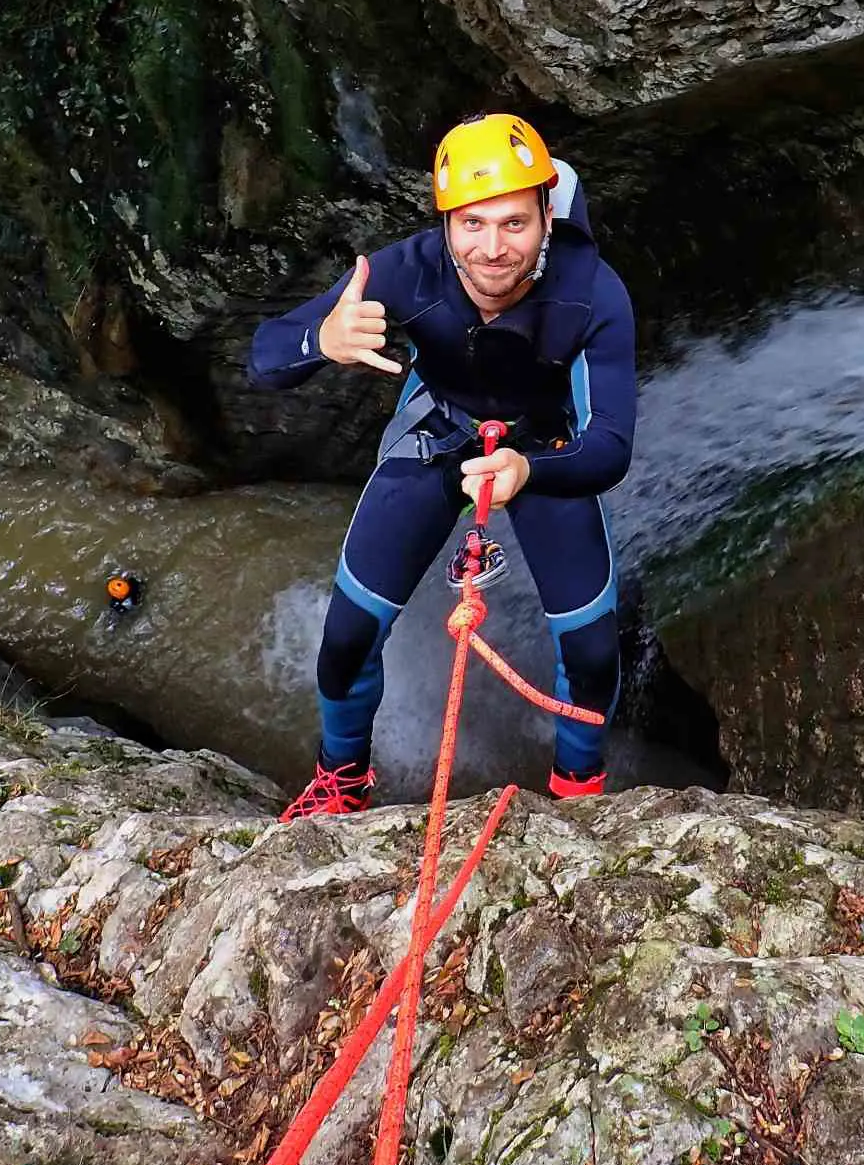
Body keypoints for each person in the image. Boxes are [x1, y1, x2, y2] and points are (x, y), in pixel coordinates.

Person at [248, 112, 637, 818]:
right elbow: (265, 358)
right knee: (348, 637)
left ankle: (578, 794)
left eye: (514, 224)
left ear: (546, 217)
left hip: (543, 447)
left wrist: (528, 471)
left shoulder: (592, 292)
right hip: (441, 428)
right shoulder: (408, 269)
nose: (492, 249)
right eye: (472, 224)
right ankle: (341, 779)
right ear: (446, 224)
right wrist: (322, 339)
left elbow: (609, 444)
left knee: (590, 651)